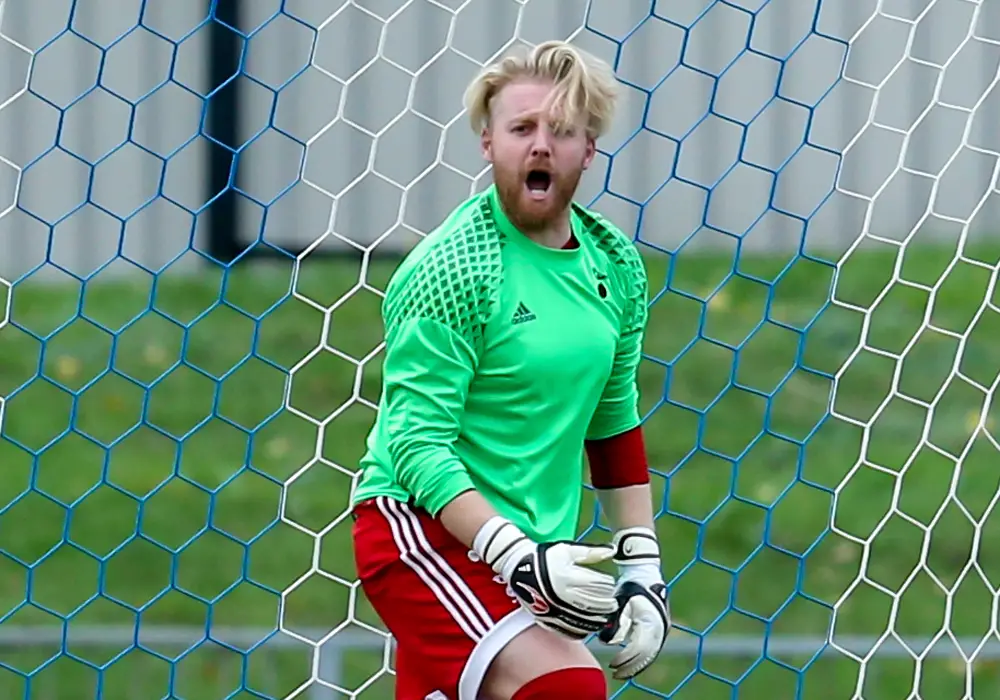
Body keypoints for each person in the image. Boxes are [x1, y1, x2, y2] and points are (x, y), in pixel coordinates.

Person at [350, 39, 671, 700]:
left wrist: (642, 560)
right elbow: (414, 445)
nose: (541, 145)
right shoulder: (452, 268)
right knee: (567, 686)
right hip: (423, 533)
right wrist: (513, 554)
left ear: (590, 149)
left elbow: (613, 417)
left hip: (531, 552)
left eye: (562, 130)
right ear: (487, 145)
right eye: (521, 128)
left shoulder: (614, 264)